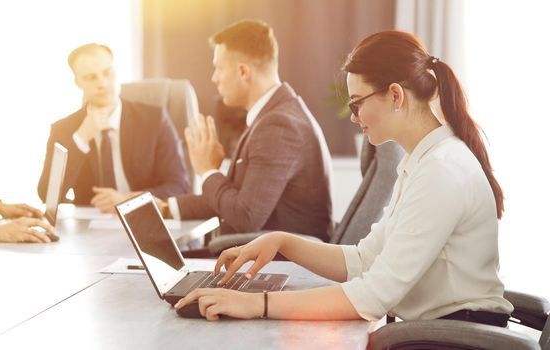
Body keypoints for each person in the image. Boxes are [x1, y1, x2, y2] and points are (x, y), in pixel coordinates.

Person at [175, 30, 514, 326]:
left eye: (357, 104)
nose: (354, 118)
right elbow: (365, 260)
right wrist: (282, 241)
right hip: (438, 329)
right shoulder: (422, 161)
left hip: (450, 337)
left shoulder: (440, 171)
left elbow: (373, 297)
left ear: (395, 95)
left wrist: (257, 304)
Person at [162, 20, 333, 240]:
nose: (214, 78)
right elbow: (237, 198)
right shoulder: (273, 115)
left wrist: (208, 171)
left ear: (243, 72)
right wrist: (168, 208)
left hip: (282, 263)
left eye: (219, 68)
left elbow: (245, 217)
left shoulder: (279, 126)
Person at [38, 43, 190, 213]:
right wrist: (81, 139)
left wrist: (128, 200)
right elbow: (47, 196)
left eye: (107, 73)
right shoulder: (63, 129)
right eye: (91, 77)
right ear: (77, 82)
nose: (102, 83)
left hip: (145, 218)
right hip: (91, 230)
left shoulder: (153, 119)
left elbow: (179, 186)